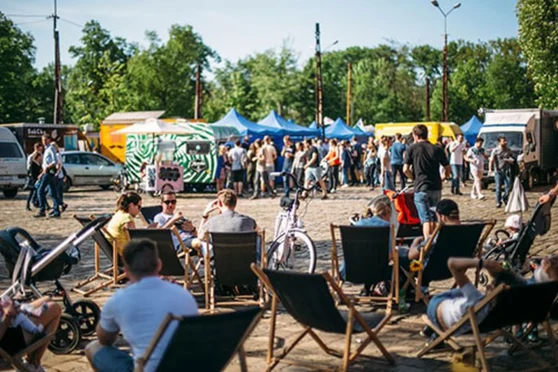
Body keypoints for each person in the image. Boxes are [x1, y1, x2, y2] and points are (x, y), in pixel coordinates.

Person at [85, 239, 198, 372]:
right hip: (185, 367)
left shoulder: (120, 299)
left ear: (126, 271)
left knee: (93, 347)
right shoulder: (183, 295)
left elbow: (104, 340)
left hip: (145, 368)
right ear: (159, 265)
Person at [424, 255, 558, 340]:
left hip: (437, 309)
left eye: (492, 285)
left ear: (493, 295)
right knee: (528, 287)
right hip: (488, 316)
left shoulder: (476, 299)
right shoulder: (513, 308)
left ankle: (433, 331)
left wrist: (483, 263)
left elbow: (451, 262)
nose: (489, 285)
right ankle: (551, 277)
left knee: (456, 293)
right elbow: (522, 288)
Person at [404, 125, 451, 238]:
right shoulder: (437, 149)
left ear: (415, 136)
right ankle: (434, 241)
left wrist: (413, 178)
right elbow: (447, 168)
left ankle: (427, 244)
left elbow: (405, 169)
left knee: (425, 218)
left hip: (421, 186)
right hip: (435, 186)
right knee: (434, 217)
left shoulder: (412, 149)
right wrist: (444, 177)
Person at [34, 135, 62, 219]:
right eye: (43, 140)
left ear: (49, 140)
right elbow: (45, 164)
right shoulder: (46, 149)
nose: (44, 141)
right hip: (47, 172)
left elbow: (54, 161)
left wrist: (47, 168)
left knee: (40, 190)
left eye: (46, 139)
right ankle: (56, 211)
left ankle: (42, 210)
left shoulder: (50, 149)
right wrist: (42, 173)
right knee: (52, 192)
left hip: (49, 172)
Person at [488, 136, 515, 208]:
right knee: (498, 187)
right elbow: (491, 160)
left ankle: (505, 197)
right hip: (498, 171)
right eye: (503, 141)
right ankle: (498, 202)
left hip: (507, 171)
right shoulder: (496, 150)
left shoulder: (508, 150)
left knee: (508, 186)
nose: (505, 142)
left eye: (506, 141)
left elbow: (511, 157)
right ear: (499, 142)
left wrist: (511, 160)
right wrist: (490, 169)